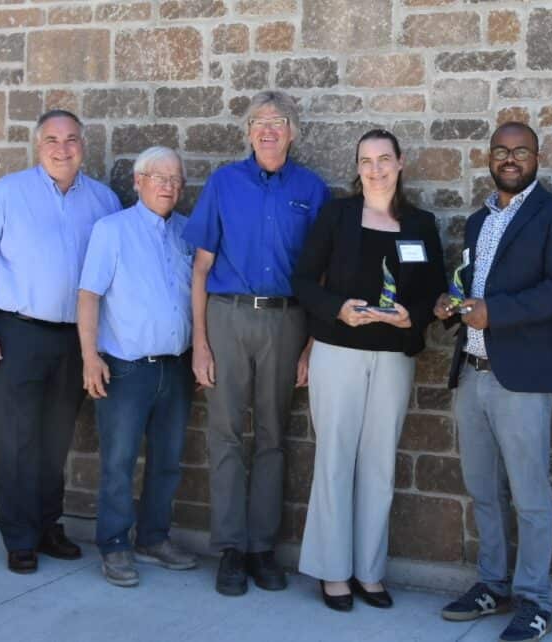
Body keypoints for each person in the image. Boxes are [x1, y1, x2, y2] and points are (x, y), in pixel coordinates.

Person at [433, 122, 552, 642]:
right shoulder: (479, 220)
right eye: (501, 151)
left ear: (537, 157)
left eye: (520, 151)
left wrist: (492, 313)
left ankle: (535, 600)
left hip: (522, 377)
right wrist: (452, 306)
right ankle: (492, 584)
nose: (510, 159)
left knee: (529, 495)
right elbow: (475, 286)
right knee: (483, 490)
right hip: (473, 373)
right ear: (489, 156)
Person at [0, 109, 121, 574]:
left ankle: (49, 527)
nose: (62, 148)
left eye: (71, 139)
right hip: (15, 334)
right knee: (15, 441)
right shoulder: (7, 194)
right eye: (52, 139)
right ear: (38, 145)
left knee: (55, 441)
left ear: (83, 146)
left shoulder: (104, 202)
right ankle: (20, 537)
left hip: (74, 340)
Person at [182, 90, 330, 596]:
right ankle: (229, 549)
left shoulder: (311, 189)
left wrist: (310, 347)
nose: (268, 130)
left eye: (279, 121)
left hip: (286, 322)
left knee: (272, 437)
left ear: (293, 131)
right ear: (248, 132)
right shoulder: (224, 183)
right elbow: (200, 268)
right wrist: (199, 344)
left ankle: (262, 548)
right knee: (225, 434)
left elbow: (321, 276)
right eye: (259, 122)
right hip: (226, 317)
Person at [292, 129, 447, 611]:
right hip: (338, 351)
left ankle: (369, 572)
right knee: (335, 459)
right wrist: (338, 309)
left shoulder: (420, 223)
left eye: (384, 159)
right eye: (366, 160)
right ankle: (333, 573)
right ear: (356, 167)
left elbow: (433, 290)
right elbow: (302, 281)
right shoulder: (337, 216)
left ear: (401, 163)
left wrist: (412, 316)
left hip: (393, 357)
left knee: (380, 463)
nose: (375, 168)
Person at [77, 146, 198, 587]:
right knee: (120, 461)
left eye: (175, 179)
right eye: (158, 177)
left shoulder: (188, 232)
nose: (168, 186)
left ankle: (153, 538)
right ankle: (114, 545)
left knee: (167, 461)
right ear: (138, 181)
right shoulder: (112, 231)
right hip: (126, 369)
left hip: (177, 367)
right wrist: (90, 357)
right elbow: (88, 295)